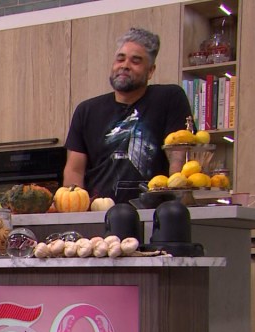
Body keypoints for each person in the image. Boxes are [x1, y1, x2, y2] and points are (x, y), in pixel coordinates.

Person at [63, 27, 192, 201]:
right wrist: (75, 207)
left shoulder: (169, 98)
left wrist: (178, 203)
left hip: (156, 211)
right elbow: (74, 170)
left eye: (135, 61)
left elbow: (178, 158)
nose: (125, 66)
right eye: (120, 59)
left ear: (151, 71)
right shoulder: (86, 110)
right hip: (100, 211)